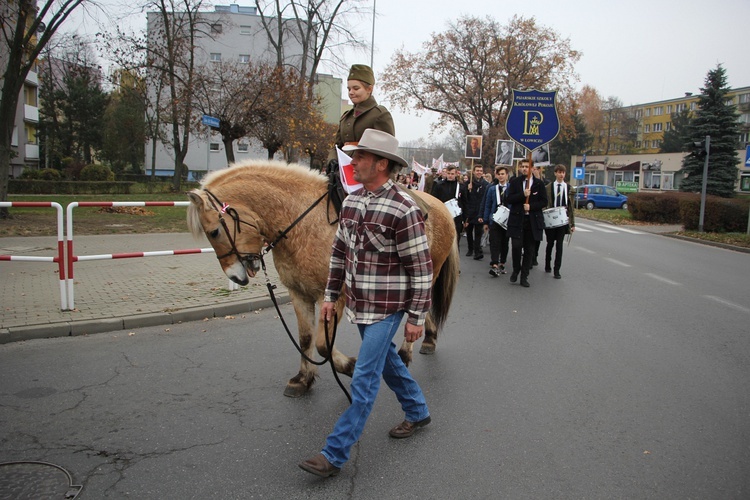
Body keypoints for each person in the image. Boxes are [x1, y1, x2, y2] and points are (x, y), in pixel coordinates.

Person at [299, 129, 433, 478]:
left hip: (388, 309)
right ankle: (418, 411)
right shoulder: (352, 201)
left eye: (360, 157)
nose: (352, 162)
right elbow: (340, 254)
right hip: (358, 305)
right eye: (354, 156)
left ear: (382, 163)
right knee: (387, 362)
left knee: (365, 378)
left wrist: (416, 317)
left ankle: (334, 454)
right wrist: (330, 296)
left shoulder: (404, 209)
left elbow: (421, 270)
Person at [327, 64, 394, 172]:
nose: (351, 92)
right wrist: (332, 160)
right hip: (343, 172)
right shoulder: (346, 117)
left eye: (356, 88)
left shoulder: (379, 115)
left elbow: (388, 152)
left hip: (369, 175)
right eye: (349, 89)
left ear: (369, 89)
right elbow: (336, 146)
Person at [505, 160, 548, 287]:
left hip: (532, 221)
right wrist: (522, 195)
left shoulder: (539, 184)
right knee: (516, 247)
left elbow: (544, 201)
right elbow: (509, 198)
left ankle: (524, 276)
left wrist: (531, 206)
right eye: (522, 167)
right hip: (517, 220)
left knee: (529, 250)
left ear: (532, 168)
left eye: (526, 167)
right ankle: (516, 269)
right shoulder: (515, 182)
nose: (524, 169)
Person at [544, 165, 576, 279]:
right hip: (551, 219)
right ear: (555, 173)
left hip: (563, 220)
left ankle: (557, 269)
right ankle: (547, 263)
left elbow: (571, 207)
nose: (561, 174)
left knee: (559, 245)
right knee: (550, 243)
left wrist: (572, 224)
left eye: (563, 172)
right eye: (559, 172)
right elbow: (545, 202)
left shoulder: (569, 188)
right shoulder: (548, 187)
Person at [482, 166, 510, 276]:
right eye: (499, 174)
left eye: (503, 174)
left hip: (507, 220)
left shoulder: (511, 188)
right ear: (496, 176)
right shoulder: (492, 189)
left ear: (507, 175)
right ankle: (494, 263)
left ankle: (502, 262)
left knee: (505, 242)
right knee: (494, 242)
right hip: (494, 219)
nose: (501, 176)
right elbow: (487, 205)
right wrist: (485, 221)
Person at [431, 165, 468, 249]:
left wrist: (466, 218)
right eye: (448, 173)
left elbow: (465, 202)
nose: (450, 175)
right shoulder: (439, 185)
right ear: (446, 173)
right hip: (443, 216)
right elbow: (434, 201)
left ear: (456, 174)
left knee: (455, 240)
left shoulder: (461, 187)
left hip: (457, 217)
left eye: (452, 173)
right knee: (442, 239)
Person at [465, 164, 489, 260]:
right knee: (469, 232)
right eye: (477, 170)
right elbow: (464, 198)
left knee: (478, 232)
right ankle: (470, 248)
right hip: (470, 211)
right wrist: (468, 190)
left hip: (479, 211)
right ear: (474, 172)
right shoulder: (468, 183)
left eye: (480, 170)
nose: (479, 172)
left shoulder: (486, 185)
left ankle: (477, 251)